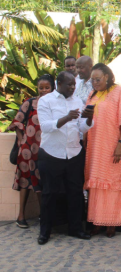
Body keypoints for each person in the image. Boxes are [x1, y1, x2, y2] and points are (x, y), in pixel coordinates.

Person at [37, 71, 94, 245]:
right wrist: (66, 117)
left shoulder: (77, 101)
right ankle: (45, 232)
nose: (72, 87)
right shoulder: (46, 101)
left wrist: (89, 120)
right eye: (69, 85)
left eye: (73, 85)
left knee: (75, 194)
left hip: (74, 153)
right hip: (51, 154)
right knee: (49, 194)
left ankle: (75, 228)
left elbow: (81, 128)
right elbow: (45, 127)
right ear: (58, 84)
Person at [84, 63, 121, 238]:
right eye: (92, 80)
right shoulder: (92, 94)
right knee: (96, 184)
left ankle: (111, 223)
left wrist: (120, 144)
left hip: (112, 145)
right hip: (95, 145)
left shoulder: (120, 92)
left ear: (107, 77)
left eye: (98, 79)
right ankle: (97, 222)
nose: (95, 82)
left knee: (112, 183)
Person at [9, 74, 55, 229]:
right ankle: (20, 216)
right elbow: (16, 122)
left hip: (45, 150)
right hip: (27, 150)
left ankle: (45, 216)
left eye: (47, 87)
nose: (43, 90)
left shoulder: (55, 104)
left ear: (52, 87)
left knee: (41, 182)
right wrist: (22, 142)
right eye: (41, 88)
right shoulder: (30, 103)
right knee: (24, 182)